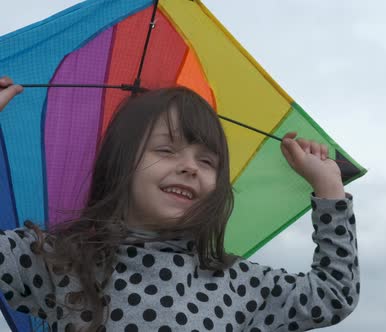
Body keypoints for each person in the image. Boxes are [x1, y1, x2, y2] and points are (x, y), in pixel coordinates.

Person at [0, 76, 359, 331]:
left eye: (207, 161)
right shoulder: (63, 261)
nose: (189, 166)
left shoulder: (237, 284)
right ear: (121, 163)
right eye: (166, 150)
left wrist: (328, 186)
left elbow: (332, 294)